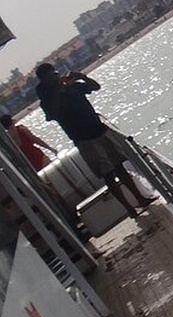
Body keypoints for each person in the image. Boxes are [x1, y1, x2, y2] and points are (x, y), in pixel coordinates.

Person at [35, 63, 156, 218]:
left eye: (55, 74)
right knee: (108, 175)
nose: (56, 77)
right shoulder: (48, 101)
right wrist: (59, 90)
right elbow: (51, 114)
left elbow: (95, 87)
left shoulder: (72, 87)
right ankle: (129, 208)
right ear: (45, 80)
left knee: (120, 167)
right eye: (51, 76)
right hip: (85, 140)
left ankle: (140, 198)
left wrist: (82, 77)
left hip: (100, 131)